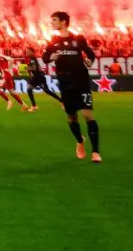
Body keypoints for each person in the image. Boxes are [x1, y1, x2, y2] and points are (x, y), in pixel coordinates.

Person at [43, 11, 100, 163]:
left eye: (54, 20)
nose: (52, 23)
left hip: (81, 82)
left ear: (63, 22)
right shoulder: (53, 41)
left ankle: (95, 151)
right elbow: (45, 58)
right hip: (65, 84)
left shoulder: (78, 39)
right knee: (71, 117)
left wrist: (89, 61)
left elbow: (90, 54)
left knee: (88, 116)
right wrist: (51, 58)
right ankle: (80, 142)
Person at [0, 48, 31, 112]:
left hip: (6, 75)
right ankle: (24, 105)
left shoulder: (0, 55)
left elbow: (11, 59)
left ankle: (9, 101)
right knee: (12, 92)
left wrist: (9, 68)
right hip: (5, 75)